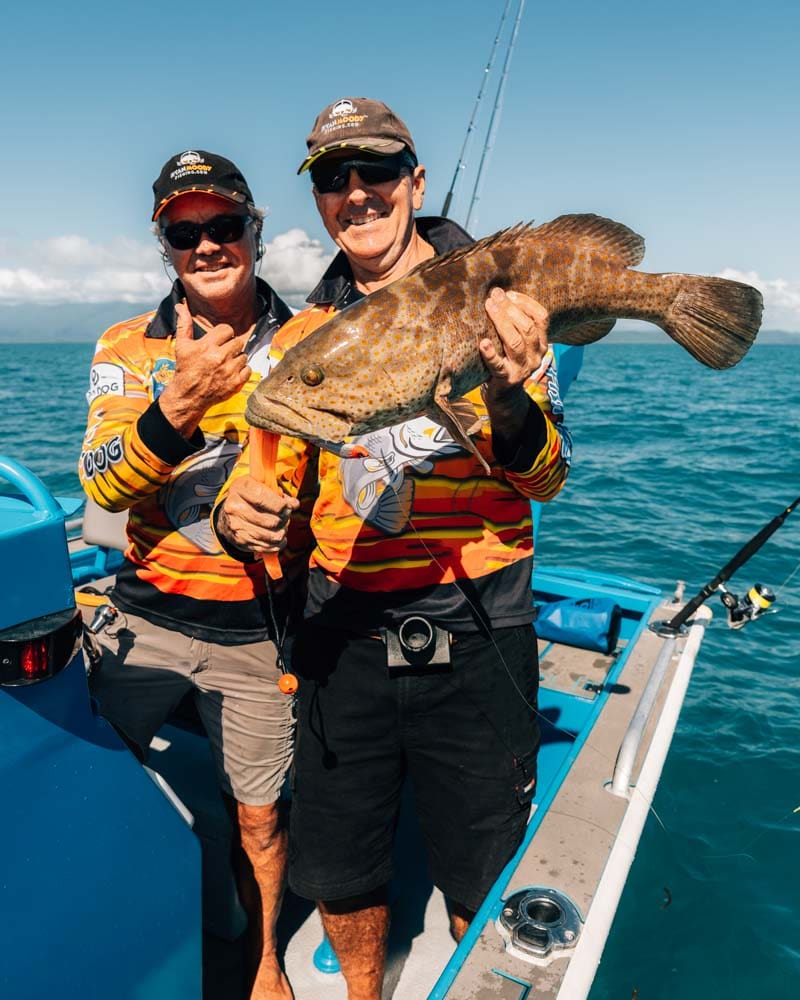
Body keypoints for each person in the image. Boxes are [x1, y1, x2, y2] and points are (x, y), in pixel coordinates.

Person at [215, 98, 572, 1000]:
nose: (357, 193)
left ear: (416, 179)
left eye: (376, 170)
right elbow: (265, 478)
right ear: (321, 201)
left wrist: (512, 390)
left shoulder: (503, 304)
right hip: (344, 629)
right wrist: (238, 514)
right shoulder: (296, 342)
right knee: (340, 872)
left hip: (481, 617)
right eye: (335, 179)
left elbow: (547, 478)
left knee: (483, 868)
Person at [79, 149, 297, 1000]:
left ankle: (264, 959)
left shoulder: (310, 337)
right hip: (143, 617)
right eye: (185, 231)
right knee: (101, 775)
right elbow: (101, 477)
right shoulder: (126, 348)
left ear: (256, 232)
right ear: (165, 244)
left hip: (257, 625)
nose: (207, 246)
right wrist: (178, 406)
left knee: (260, 814)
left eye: (224, 226)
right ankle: (122, 920)